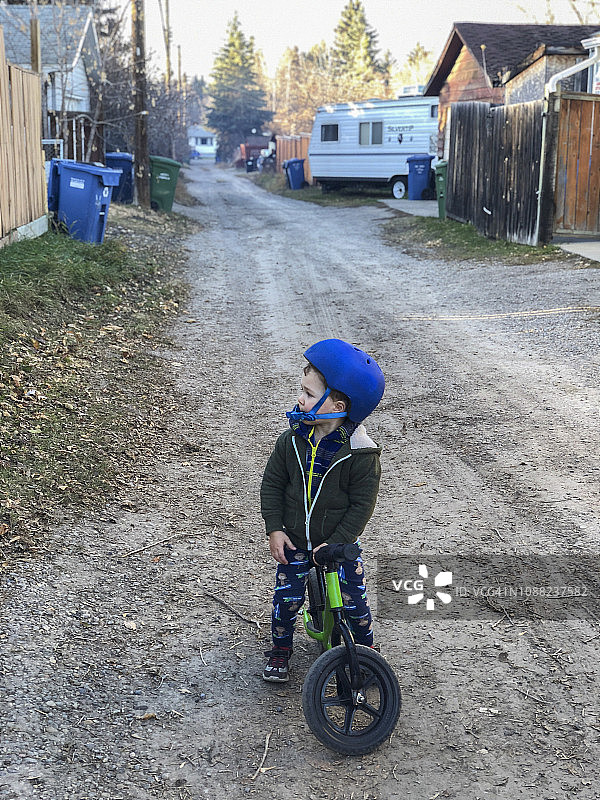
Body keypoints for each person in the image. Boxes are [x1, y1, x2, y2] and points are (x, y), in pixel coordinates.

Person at [260, 339, 385, 682]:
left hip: (337, 543)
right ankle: (281, 649)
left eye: (309, 394)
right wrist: (275, 528)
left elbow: (362, 505)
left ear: (338, 405)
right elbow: (271, 484)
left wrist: (340, 541)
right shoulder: (291, 441)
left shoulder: (361, 454)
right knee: (286, 600)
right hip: (296, 541)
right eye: (302, 391)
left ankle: (364, 654)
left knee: (355, 601)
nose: (300, 399)